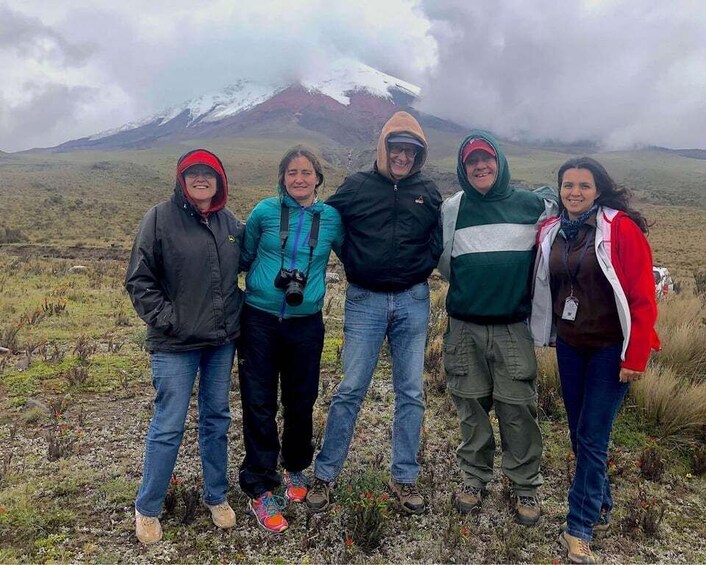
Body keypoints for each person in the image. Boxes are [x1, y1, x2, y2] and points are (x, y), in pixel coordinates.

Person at [306, 111, 442, 515]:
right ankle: (325, 474)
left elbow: (437, 236)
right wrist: (352, 258)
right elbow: (329, 222)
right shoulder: (357, 186)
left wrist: (423, 265)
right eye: (396, 148)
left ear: (419, 155)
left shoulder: (427, 191)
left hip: (413, 299)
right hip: (365, 299)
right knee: (351, 388)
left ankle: (405, 478)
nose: (402, 156)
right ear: (383, 147)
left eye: (410, 151)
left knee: (411, 392)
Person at [531, 157, 660, 564]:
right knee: (578, 433)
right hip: (570, 345)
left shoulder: (620, 228)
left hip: (610, 349)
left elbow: (642, 297)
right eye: (567, 185)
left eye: (583, 185)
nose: (574, 192)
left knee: (592, 437)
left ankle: (579, 526)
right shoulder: (551, 231)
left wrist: (635, 355)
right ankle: (601, 502)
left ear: (598, 189)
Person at [125, 149, 244, 544]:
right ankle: (148, 507)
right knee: (168, 424)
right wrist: (168, 320)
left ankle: (217, 496)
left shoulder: (230, 223)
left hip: (219, 342)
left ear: (220, 180)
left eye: (208, 173)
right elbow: (139, 280)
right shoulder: (159, 218)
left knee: (217, 420)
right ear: (181, 178)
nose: (200, 179)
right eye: (192, 173)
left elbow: (253, 264)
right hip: (174, 345)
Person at [437, 130, 556, 526]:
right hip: (464, 328)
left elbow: (565, 209)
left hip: (511, 329)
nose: (480, 166)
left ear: (500, 161)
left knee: (517, 408)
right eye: (471, 162)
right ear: (463, 168)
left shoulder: (531, 205)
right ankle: (474, 477)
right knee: (470, 407)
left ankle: (525, 486)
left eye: (486, 159)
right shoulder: (453, 209)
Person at [238, 145, 343, 533]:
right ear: (282, 178)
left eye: (306, 172)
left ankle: (295, 466)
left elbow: (354, 255)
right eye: (291, 172)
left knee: (302, 399)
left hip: (306, 323)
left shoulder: (331, 218)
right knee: (259, 401)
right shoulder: (264, 212)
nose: (299, 179)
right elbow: (244, 255)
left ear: (318, 177)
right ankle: (260, 486)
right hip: (260, 320)